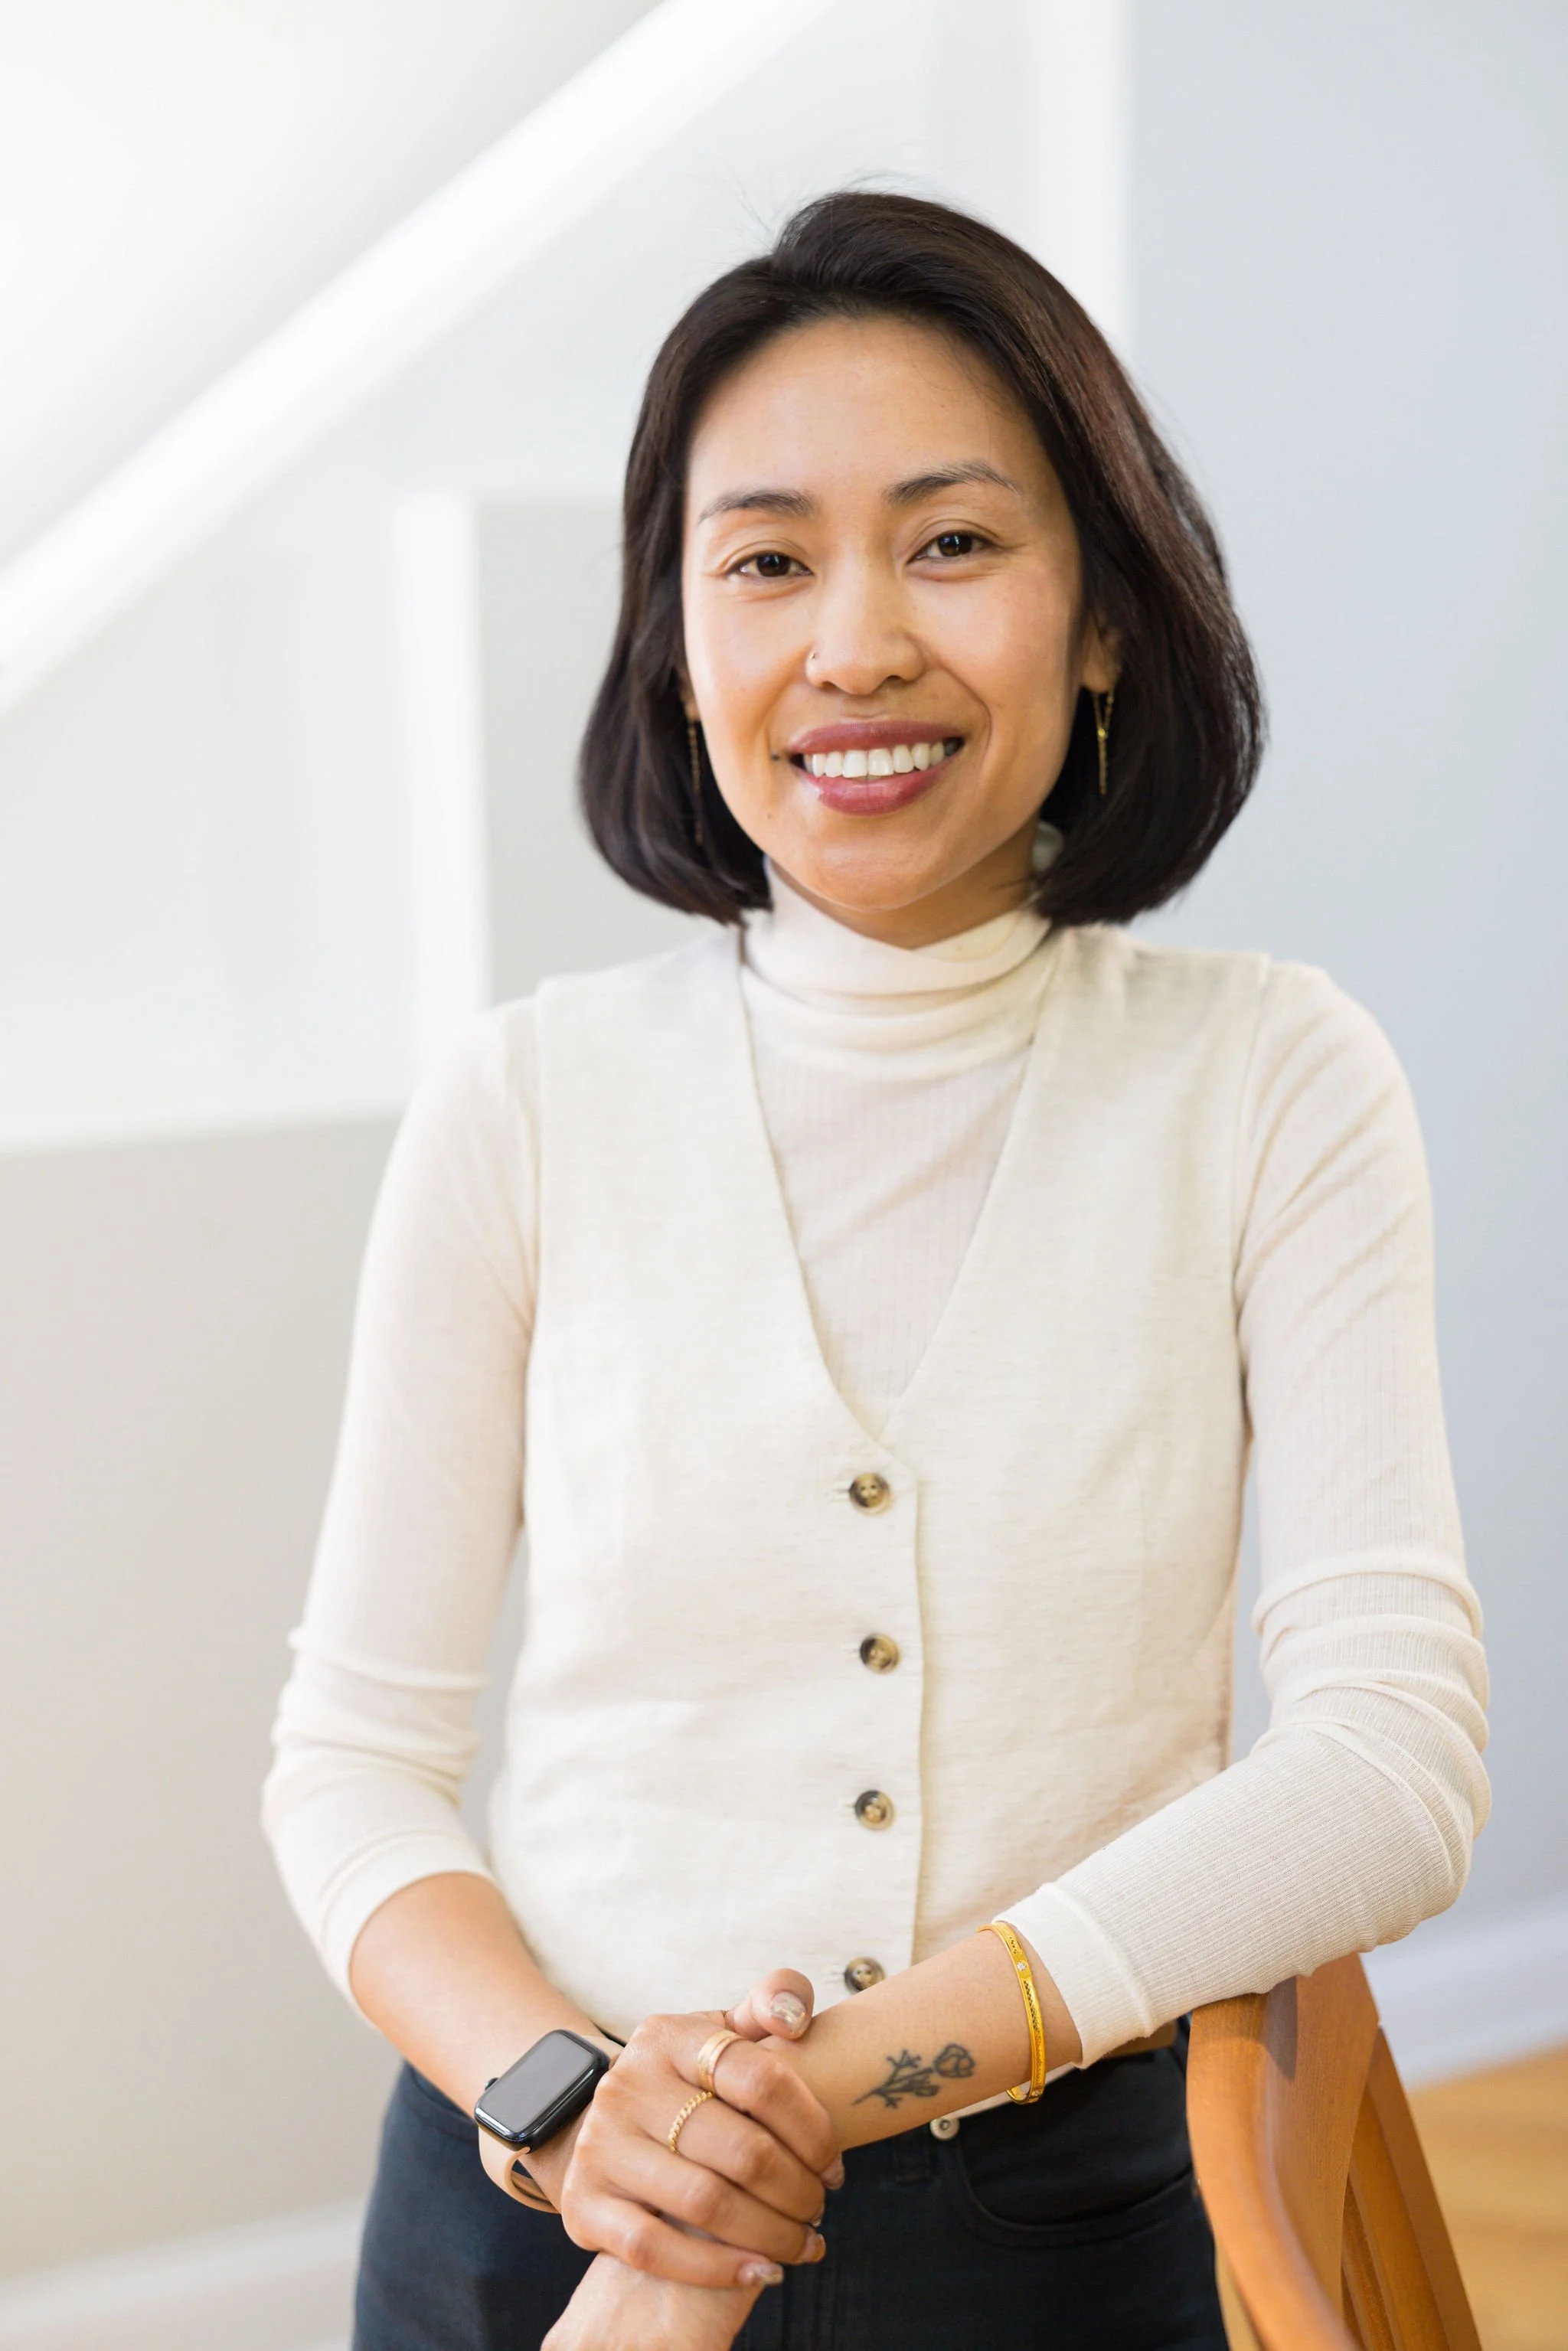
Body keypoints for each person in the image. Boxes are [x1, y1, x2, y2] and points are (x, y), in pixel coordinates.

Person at [263, 191, 1489, 2351]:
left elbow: (1393, 1756)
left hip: (1059, 2236)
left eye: (950, 543)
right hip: (523, 2185)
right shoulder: (524, 1100)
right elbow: (349, 1758)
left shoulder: (1271, 1076)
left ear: (1104, 617)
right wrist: (575, 2117)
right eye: (763, 559)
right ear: (674, 640)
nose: (853, 643)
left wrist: (789, 2112)